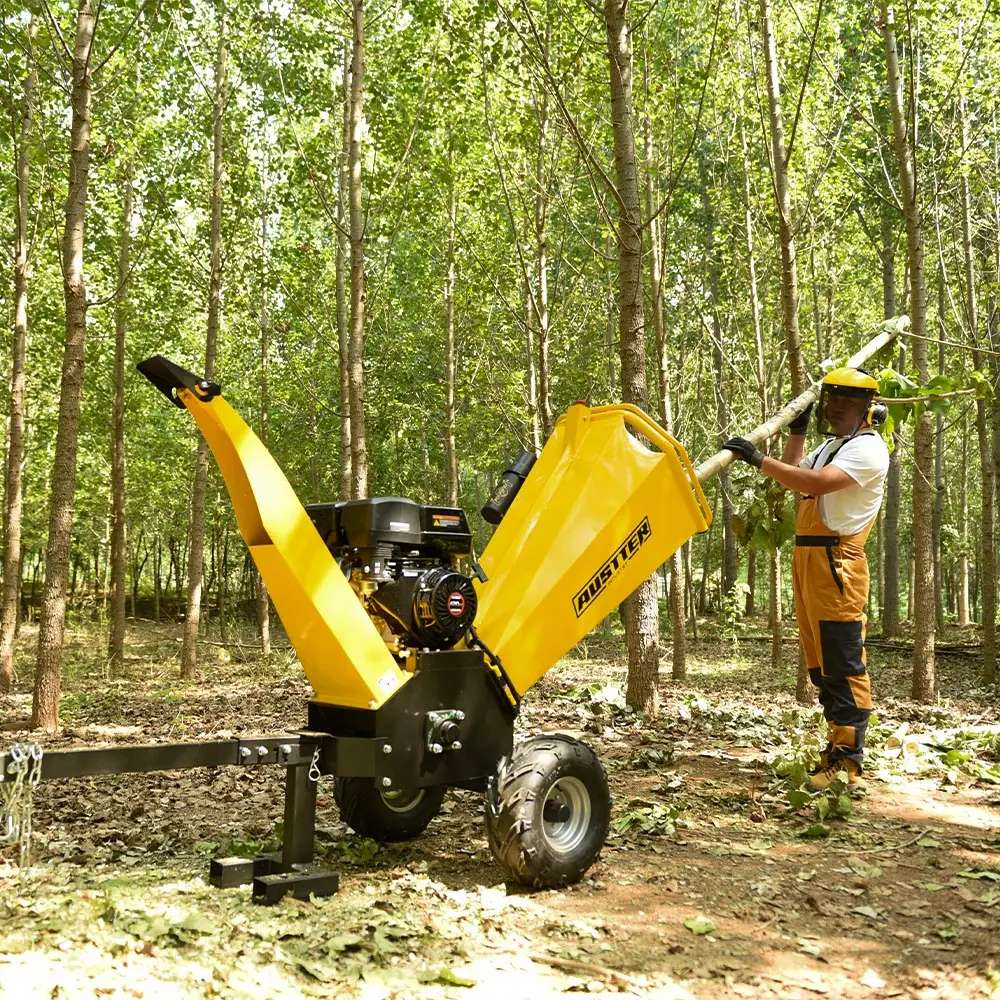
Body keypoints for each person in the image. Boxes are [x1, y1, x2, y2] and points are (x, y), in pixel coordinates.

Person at [722, 368, 890, 790]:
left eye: (845, 401)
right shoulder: (834, 445)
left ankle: (849, 762)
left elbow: (816, 483)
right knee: (820, 664)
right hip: (807, 556)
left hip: (838, 562)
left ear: (867, 406)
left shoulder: (868, 450)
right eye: (831, 399)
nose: (834, 408)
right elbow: (795, 473)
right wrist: (795, 430)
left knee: (842, 659)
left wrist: (757, 458)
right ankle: (835, 746)